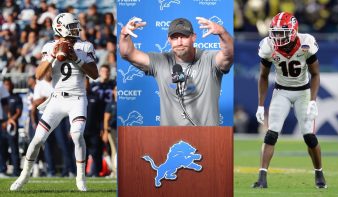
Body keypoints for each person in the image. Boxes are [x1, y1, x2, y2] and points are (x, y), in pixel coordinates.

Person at [10, 12, 98, 191]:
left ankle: (81, 178)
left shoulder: (85, 46)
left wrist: (77, 58)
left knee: (76, 134)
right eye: (71, 26)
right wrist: (52, 55)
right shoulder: (49, 46)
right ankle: (24, 175)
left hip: (77, 98)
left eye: (75, 26)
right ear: (60, 27)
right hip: (57, 99)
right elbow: (39, 75)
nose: (75, 29)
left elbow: (94, 74)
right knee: (37, 140)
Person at [252, 12, 327, 189]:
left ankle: (319, 172)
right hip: (281, 91)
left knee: (309, 136)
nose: (277, 36)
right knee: (271, 133)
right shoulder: (268, 46)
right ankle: (262, 177)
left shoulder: (306, 42)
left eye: (281, 32)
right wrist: (260, 105)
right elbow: (263, 76)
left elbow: (315, 74)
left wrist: (313, 100)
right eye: (275, 32)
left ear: (293, 31)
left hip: (303, 92)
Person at [119, 17, 233, 125]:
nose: (179, 42)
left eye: (184, 37)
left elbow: (229, 54)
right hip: (170, 138)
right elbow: (127, 53)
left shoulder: (209, 59)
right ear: (169, 40)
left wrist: (223, 33)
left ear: (193, 37)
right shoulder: (160, 61)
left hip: (207, 136)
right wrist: (124, 35)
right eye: (174, 37)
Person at [2, 78, 23, 177]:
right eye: (5, 85)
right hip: (2, 127)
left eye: (9, 84)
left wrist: (10, 121)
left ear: (12, 86)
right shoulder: (2, 98)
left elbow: (19, 112)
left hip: (12, 128)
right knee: (2, 149)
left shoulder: (17, 97)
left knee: (14, 149)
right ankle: (2, 170)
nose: (7, 86)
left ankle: (16, 171)